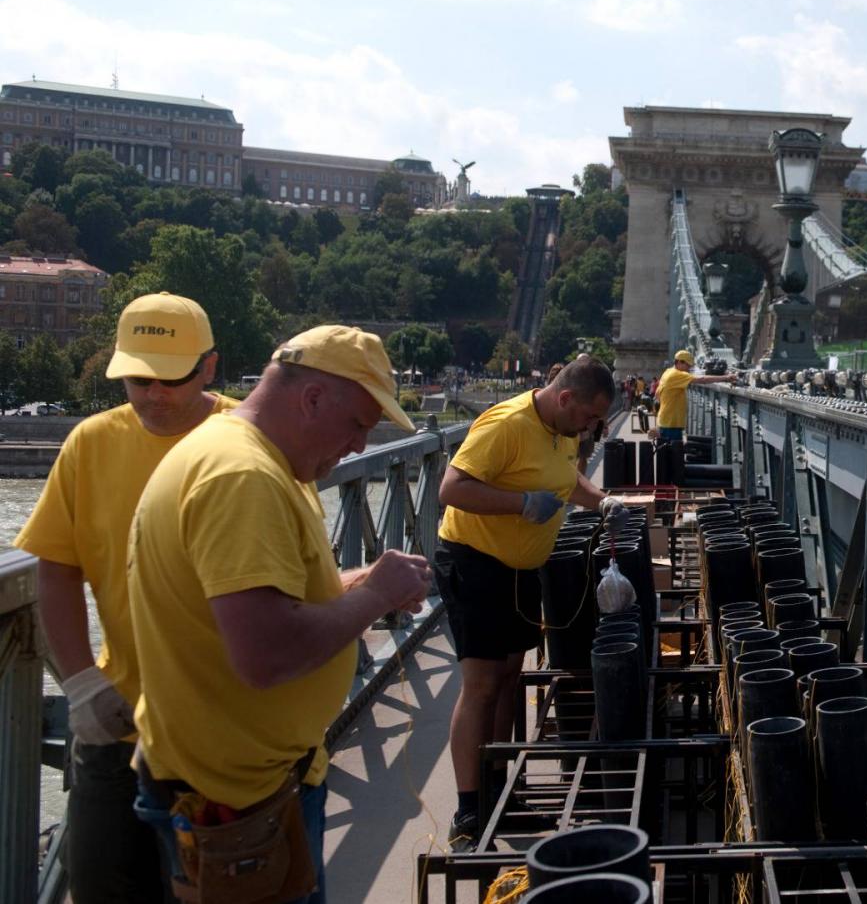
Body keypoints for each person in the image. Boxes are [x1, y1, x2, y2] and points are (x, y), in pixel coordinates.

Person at [126, 325, 433, 903]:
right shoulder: (243, 478)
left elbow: (259, 599)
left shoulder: (253, 456)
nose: (361, 447)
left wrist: (366, 582)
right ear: (313, 398)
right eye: (359, 425)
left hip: (250, 783)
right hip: (235, 804)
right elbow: (266, 655)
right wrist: (372, 598)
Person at [14, 292, 234, 903]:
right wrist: (81, 683)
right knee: (102, 881)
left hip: (229, 730)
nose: (152, 395)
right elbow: (56, 567)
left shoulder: (252, 441)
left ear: (209, 367)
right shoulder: (90, 443)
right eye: (137, 379)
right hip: (118, 721)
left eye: (171, 379)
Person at [434, 355, 628, 849]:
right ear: (566, 399)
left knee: (508, 679)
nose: (590, 429)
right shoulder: (506, 424)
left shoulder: (563, 431)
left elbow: (566, 481)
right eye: (588, 418)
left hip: (521, 570)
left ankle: (499, 788)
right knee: (479, 685)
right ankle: (468, 808)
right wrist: (520, 503)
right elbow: (451, 488)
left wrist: (600, 499)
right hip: (476, 562)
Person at [654, 350, 737, 443]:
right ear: (679, 362)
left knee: (666, 454)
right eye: (688, 365)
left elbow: (657, 394)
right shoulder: (677, 375)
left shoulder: (668, 372)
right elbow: (702, 379)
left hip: (665, 420)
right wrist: (726, 378)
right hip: (672, 424)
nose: (689, 368)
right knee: (674, 453)